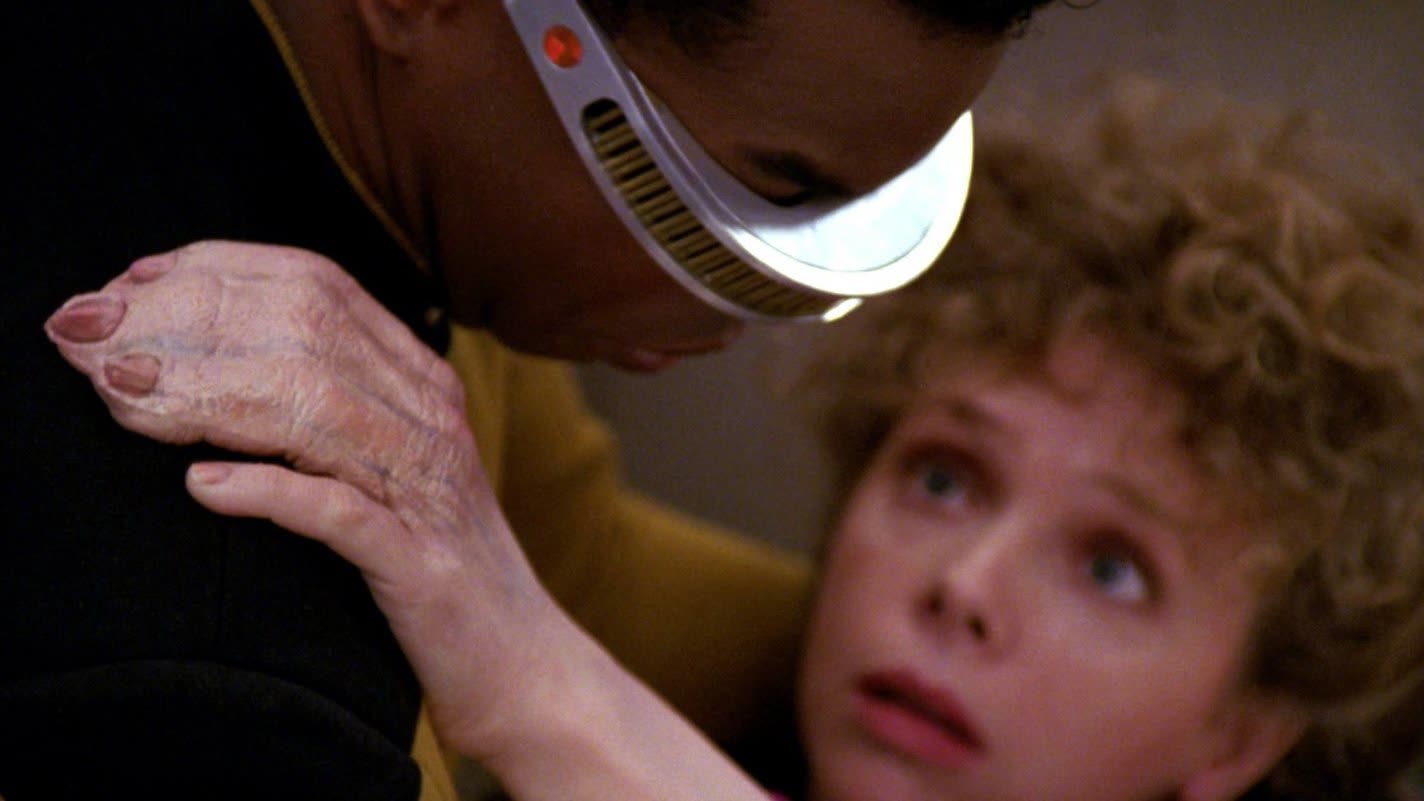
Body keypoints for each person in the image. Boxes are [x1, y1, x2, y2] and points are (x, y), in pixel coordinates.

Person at [47, 79, 1424, 800]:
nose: (962, 587)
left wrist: (531, 676)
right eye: (943, 476)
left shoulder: (576, 701)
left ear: (1243, 733)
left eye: (1113, 567)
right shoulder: (743, 655)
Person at [4, 1, 1061, 799]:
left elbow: (581, 556)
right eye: (761, 201)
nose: (749, 315)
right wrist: (542, 694)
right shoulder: (230, 687)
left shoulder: (439, 198)